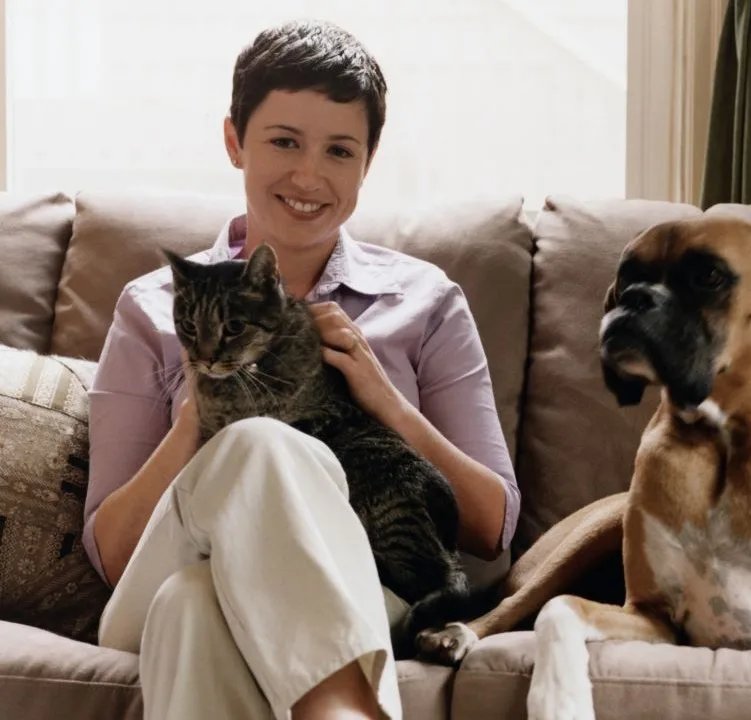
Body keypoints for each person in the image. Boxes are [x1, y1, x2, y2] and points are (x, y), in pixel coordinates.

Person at [83, 19, 520, 720]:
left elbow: (492, 527)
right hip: (158, 574)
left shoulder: (426, 303)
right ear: (235, 141)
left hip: (361, 593)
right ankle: (341, 707)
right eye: (284, 141)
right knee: (256, 442)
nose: (309, 175)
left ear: (367, 163)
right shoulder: (152, 308)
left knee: (196, 609)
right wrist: (206, 414)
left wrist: (384, 401)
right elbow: (111, 554)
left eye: (339, 150)